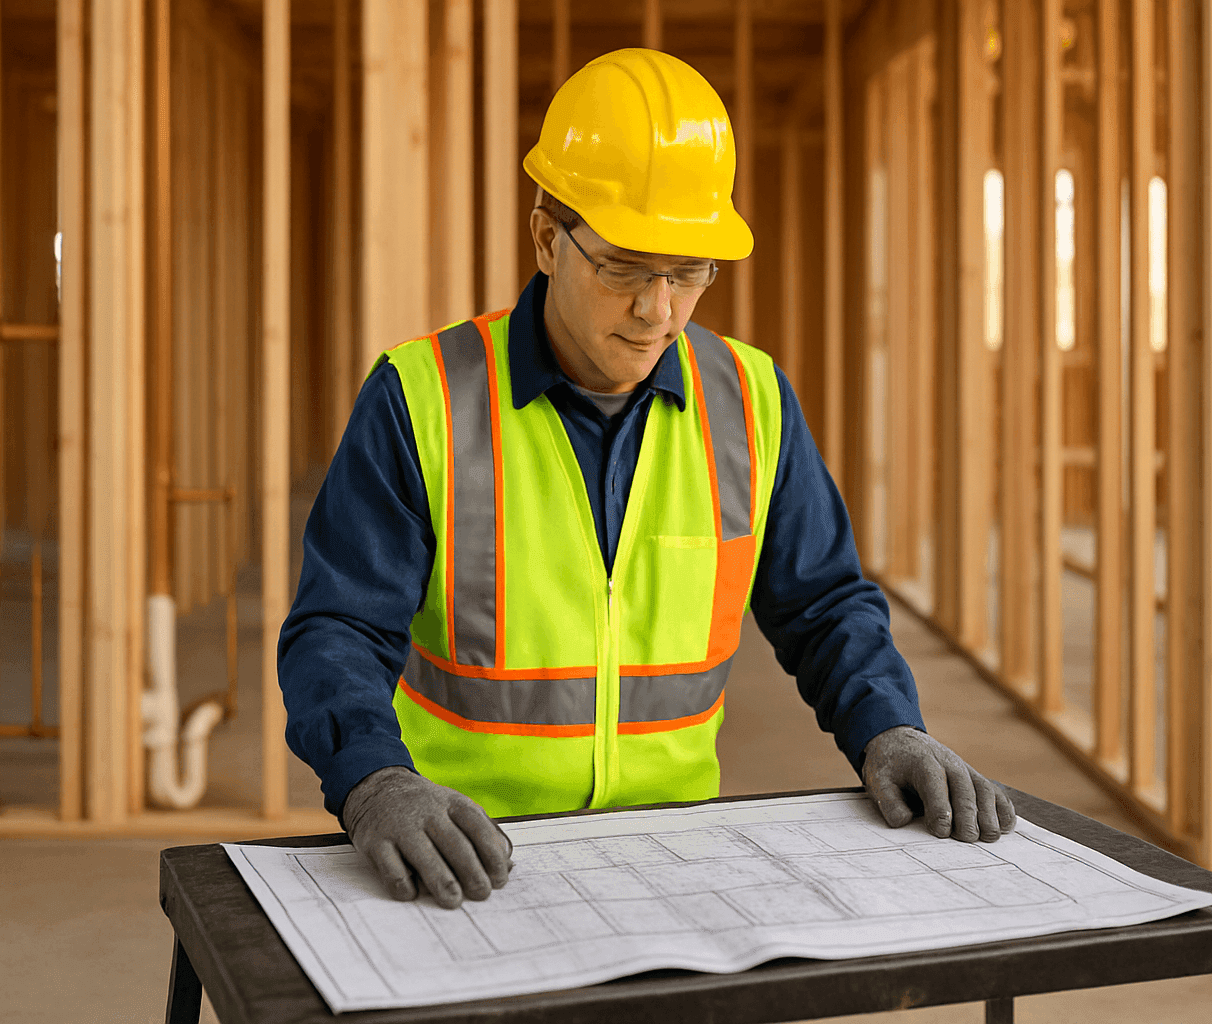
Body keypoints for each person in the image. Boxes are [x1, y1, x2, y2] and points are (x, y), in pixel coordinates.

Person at [278, 47, 1015, 912]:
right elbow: (337, 628)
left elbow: (823, 606)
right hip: (462, 857)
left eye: (690, 271)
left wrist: (889, 726)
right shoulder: (422, 397)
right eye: (626, 267)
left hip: (672, 861)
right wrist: (374, 781)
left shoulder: (750, 401)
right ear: (549, 239)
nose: (658, 309)